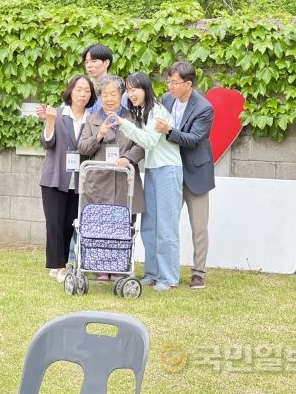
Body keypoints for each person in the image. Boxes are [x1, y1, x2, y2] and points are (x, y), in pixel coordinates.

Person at [110, 72, 183, 292]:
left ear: (146, 89)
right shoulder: (143, 112)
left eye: (135, 89)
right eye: (128, 90)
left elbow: (149, 141)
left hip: (168, 170)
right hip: (152, 170)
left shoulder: (158, 111)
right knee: (149, 225)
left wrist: (123, 124)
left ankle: (169, 278)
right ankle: (152, 273)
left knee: (166, 226)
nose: (131, 94)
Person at [77, 75, 145, 281]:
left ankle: (119, 267)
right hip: (99, 184)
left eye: (113, 94)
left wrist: (127, 157)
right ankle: (100, 267)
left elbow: (141, 144)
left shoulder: (132, 119)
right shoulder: (92, 119)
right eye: (104, 95)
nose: (109, 99)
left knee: (124, 225)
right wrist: (99, 135)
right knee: (100, 224)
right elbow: (82, 147)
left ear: (121, 95)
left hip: (125, 182)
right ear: (99, 97)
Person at [154, 61, 215, 289]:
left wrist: (168, 131)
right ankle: (165, 270)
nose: (169, 86)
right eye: (168, 81)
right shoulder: (167, 99)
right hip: (170, 170)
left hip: (195, 171)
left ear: (188, 84)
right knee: (166, 222)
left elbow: (194, 139)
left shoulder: (204, 108)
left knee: (199, 225)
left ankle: (198, 272)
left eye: (174, 82)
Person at [40, 75, 97, 282]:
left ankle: (59, 262)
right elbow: (47, 143)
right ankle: (60, 267)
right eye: (79, 89)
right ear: (70, 91)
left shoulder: (92, 118)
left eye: (87, 91)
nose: (83, 94)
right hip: (54, 178)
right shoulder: (58, 113)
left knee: (68, 224)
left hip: (79, 180)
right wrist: (50, 121)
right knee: (54, 223)